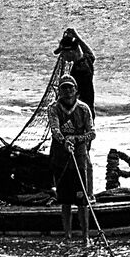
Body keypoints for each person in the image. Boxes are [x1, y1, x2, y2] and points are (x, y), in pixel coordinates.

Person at [45, 76, 96, 238]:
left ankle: (86, 235)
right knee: (65, 200)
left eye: (70, 88)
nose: (67, 92)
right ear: (59, 91)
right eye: (64, 88)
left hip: (79, 158)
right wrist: (64, 141)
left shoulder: (83, 109)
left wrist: (76, 139)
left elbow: (92, 133)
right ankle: (67, 235)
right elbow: (55, 129)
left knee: (82, 201)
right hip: (61, 158)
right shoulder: (53, 108)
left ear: (76, 90)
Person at [53, 28, 95, 109]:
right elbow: (90, 53)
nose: (62, 56)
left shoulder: (80, 70)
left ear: (71, 52)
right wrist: (77, 37)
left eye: (63, 53)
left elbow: (74, 96)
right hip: (87, 110)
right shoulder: (86, 59)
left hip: (81, 113)